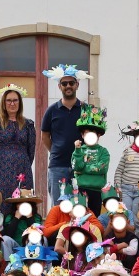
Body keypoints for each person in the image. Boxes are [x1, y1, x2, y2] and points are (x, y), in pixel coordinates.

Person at [41, 64, 89, 205]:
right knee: (58, 206)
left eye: (71, 83)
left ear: (77, 85)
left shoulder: (86, 109)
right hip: (58, 166)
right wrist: (57, 150)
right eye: (64, 83)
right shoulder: (51, 111)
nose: (68, 86)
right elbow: (45, 136)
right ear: (59, 87)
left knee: (81, 205)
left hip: (82, 167)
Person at [0, 84, 36, 197]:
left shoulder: (28, 124)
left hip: (22, 168)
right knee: (2, 201)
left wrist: (23, 162)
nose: (12, 103)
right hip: (1, 169)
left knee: (23, 201)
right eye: (9, 101)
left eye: (15, 100)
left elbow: (31, 150)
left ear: (20, 103)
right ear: (4, 103)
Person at [71, 105, 110, 214]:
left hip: (96, 191)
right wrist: (78, 151)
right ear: (82, 135)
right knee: (79, 217)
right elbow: (76, 167)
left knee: (94, 218)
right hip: (80, 189)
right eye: (87, 133)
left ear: (98, 135)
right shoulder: (78, 150)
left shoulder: (104, 152)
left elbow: (102, 168)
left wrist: (84, 168)